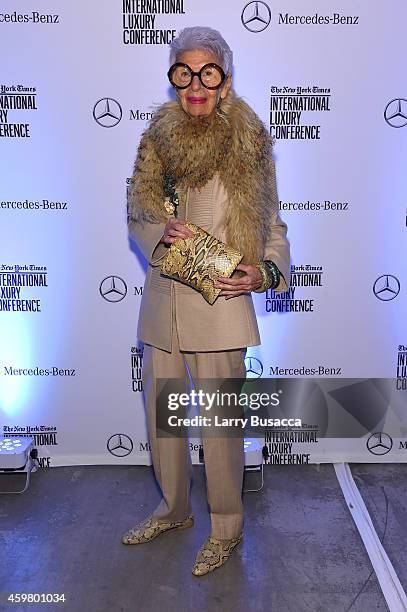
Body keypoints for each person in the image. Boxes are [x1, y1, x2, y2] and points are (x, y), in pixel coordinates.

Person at [122, 26, 290, 576]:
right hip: (162, 307)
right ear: (173, 78)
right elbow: (138, 216)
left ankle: (227, 528)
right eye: (183, 71)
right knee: (163, 422)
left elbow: (272, 225)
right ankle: (173, 509)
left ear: (225, 79)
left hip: (219, 311)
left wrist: (264, 271)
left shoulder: (249, 144)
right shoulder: (156, 141)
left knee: (219, 431)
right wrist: (158, 236)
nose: (195, 83)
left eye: (207, 72)